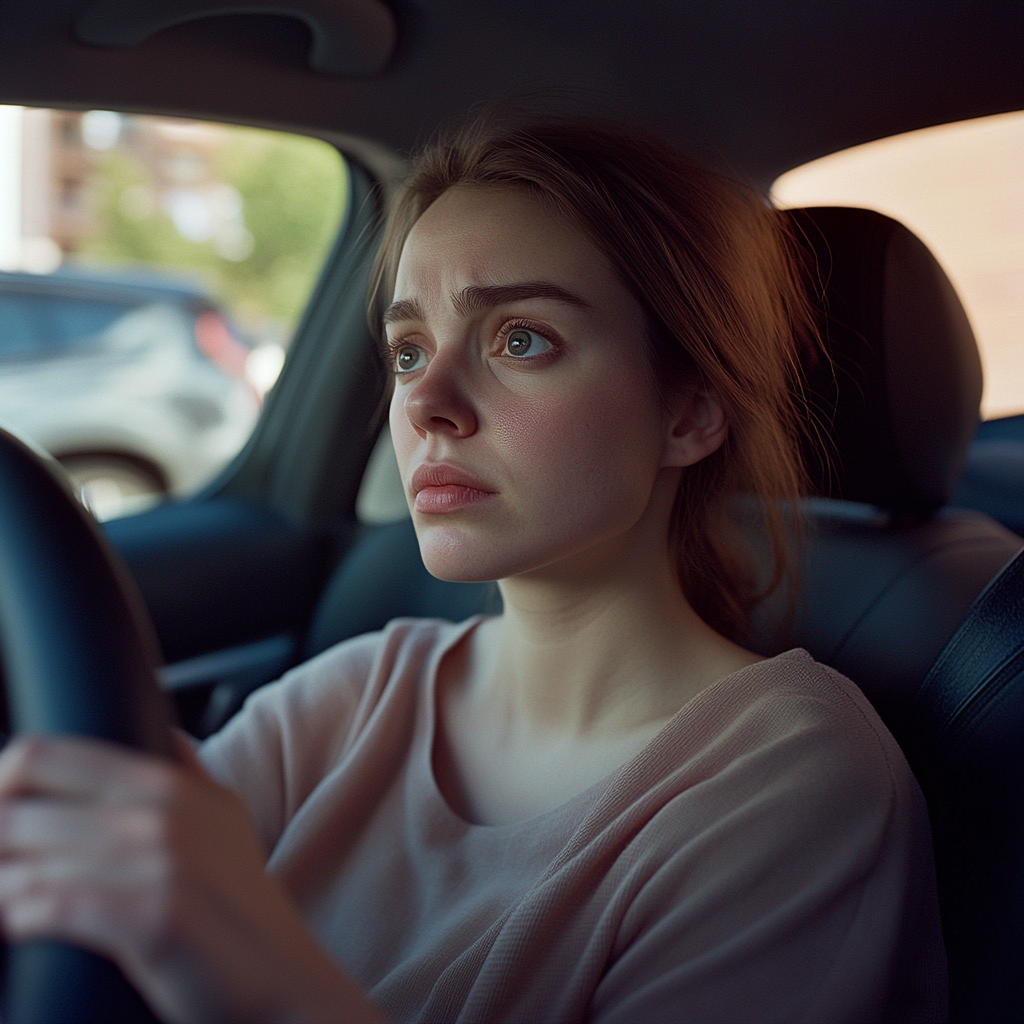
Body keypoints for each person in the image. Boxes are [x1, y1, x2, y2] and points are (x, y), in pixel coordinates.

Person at [0, 118, 946, 1023]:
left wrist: (259, 976)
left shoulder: (794, 789)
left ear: (689, 414)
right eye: (409, 350)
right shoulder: (349, 701)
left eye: (519, 339)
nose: (426, 404)